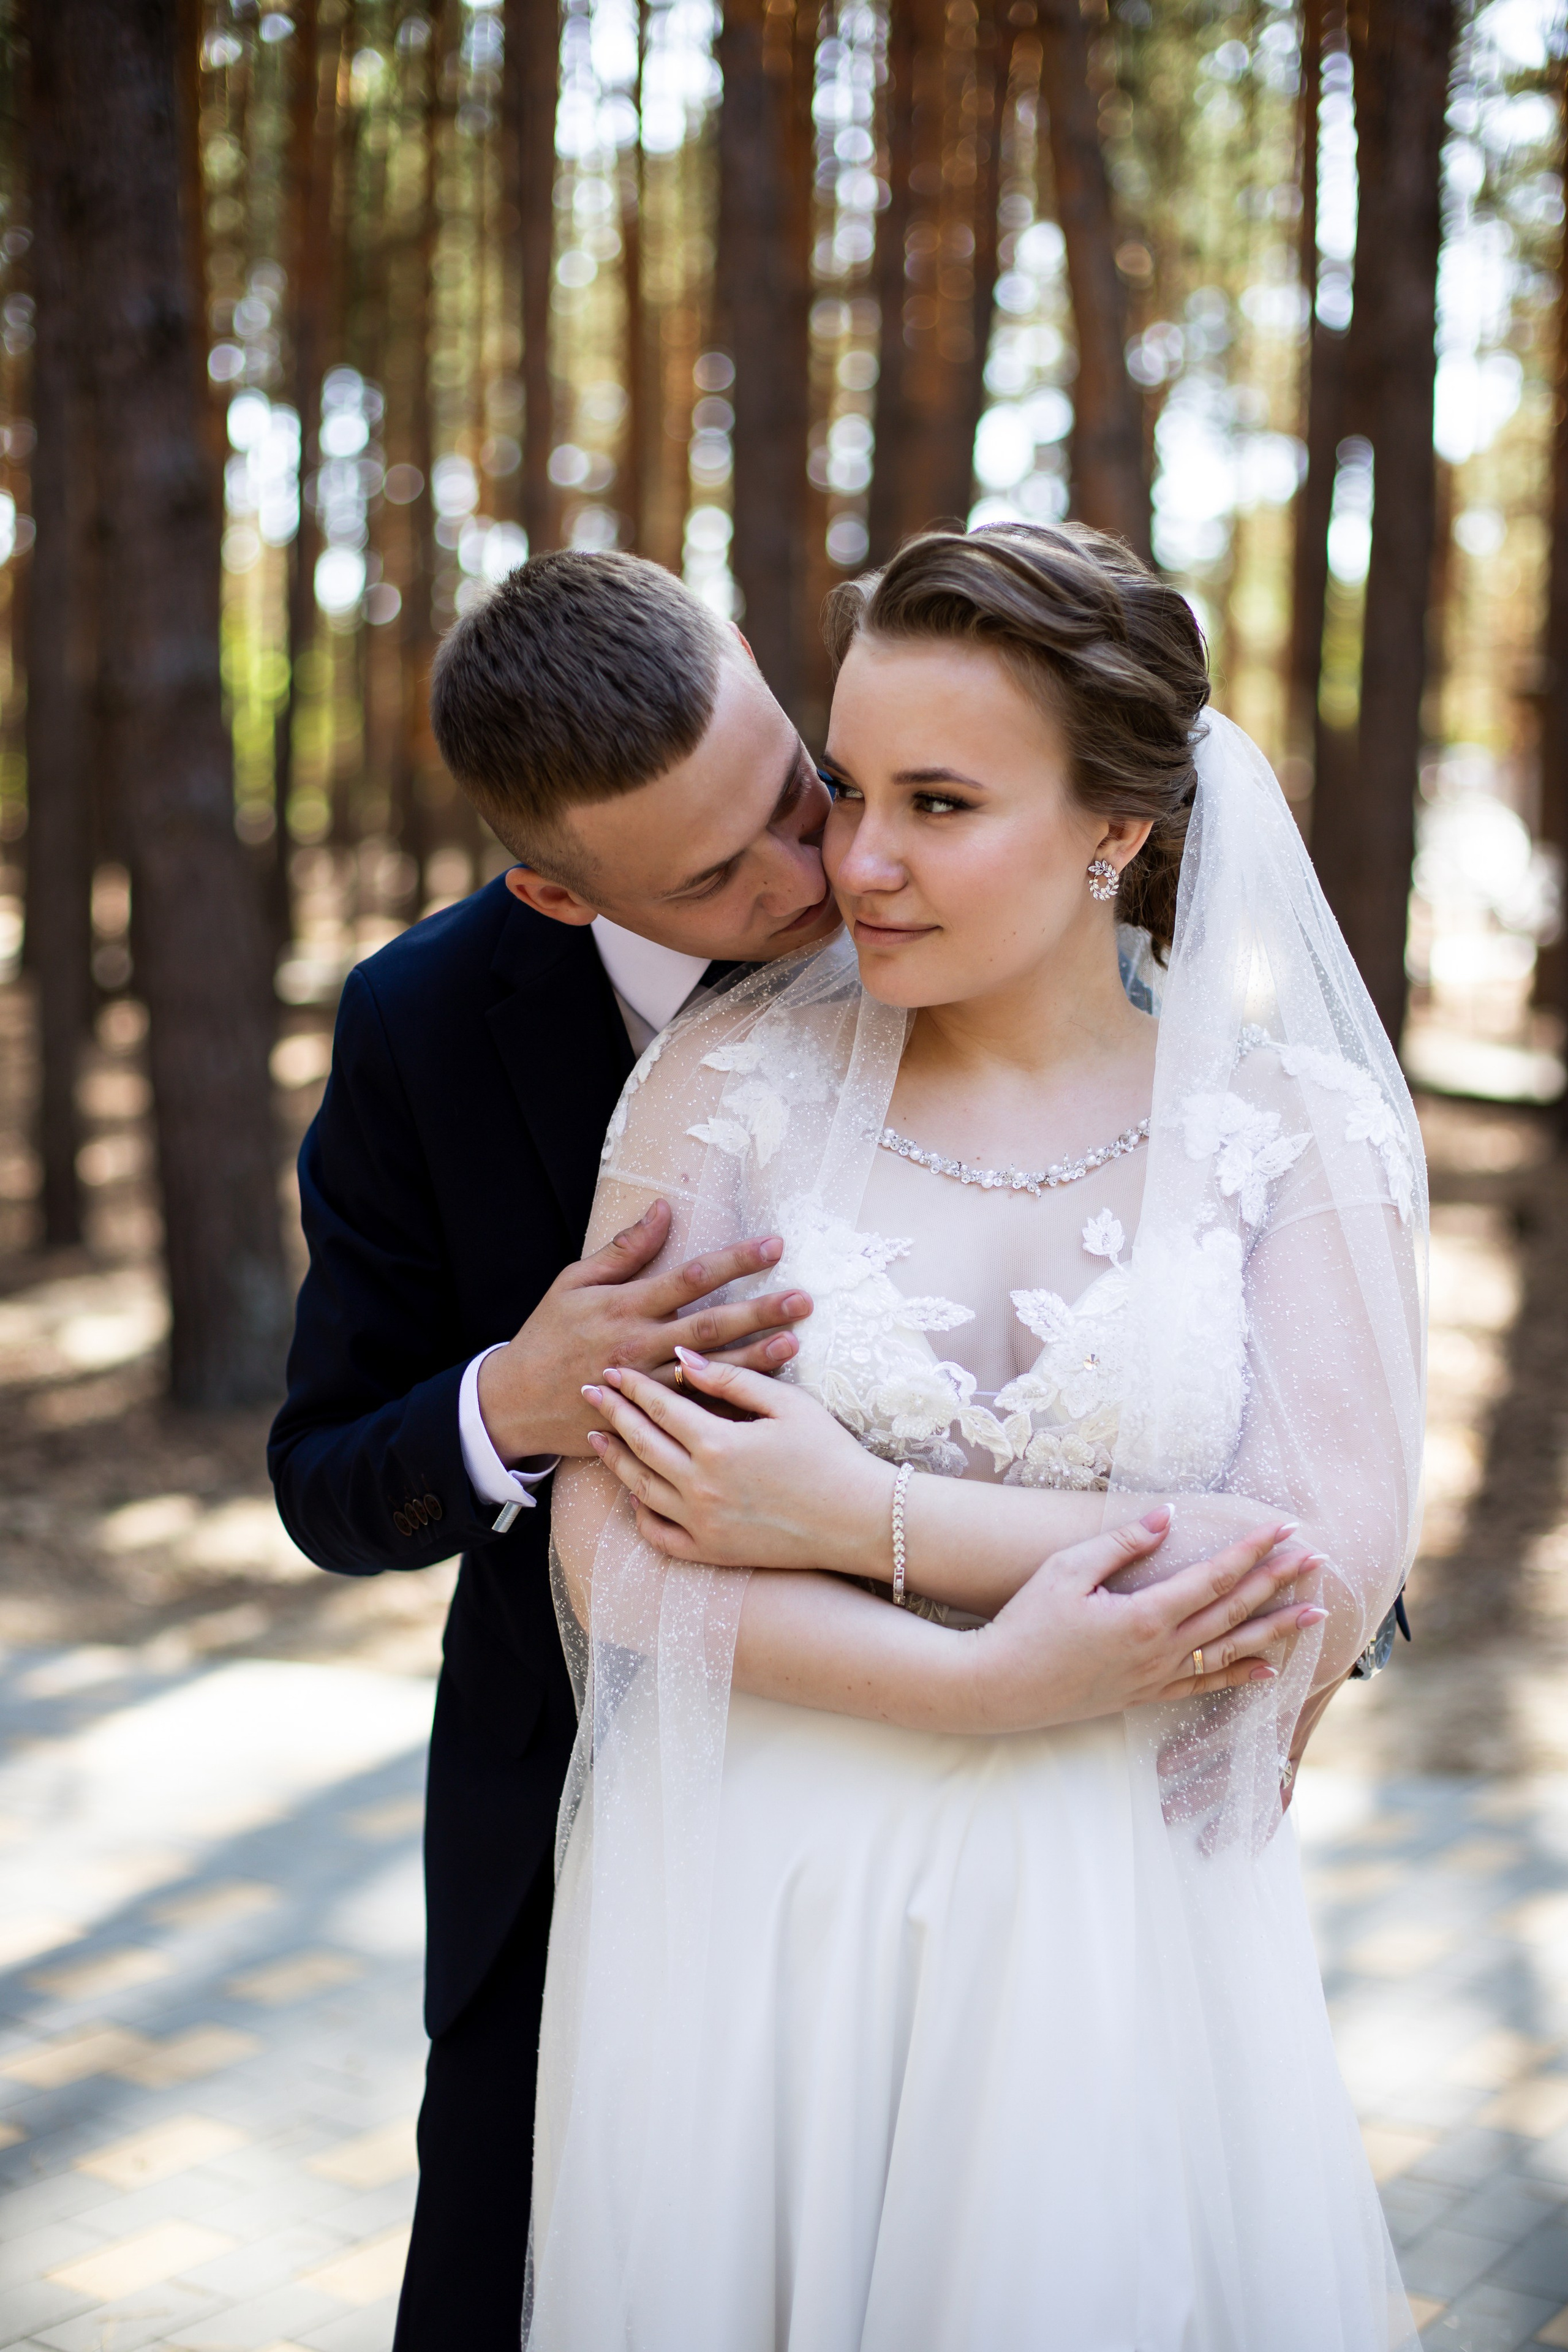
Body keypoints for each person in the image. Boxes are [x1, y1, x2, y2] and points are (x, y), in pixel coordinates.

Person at [268, 551, 1355, 2351]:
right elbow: (329, 1472)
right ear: (557, 891)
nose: (826, 873)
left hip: (1085, 1869)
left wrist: (1254, 1637)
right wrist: (509, 1407)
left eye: (808, 789)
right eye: (723, 872)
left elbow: (1289, 1467)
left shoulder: (1025, 938)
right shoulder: (426, 1027)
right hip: (607, 1820)